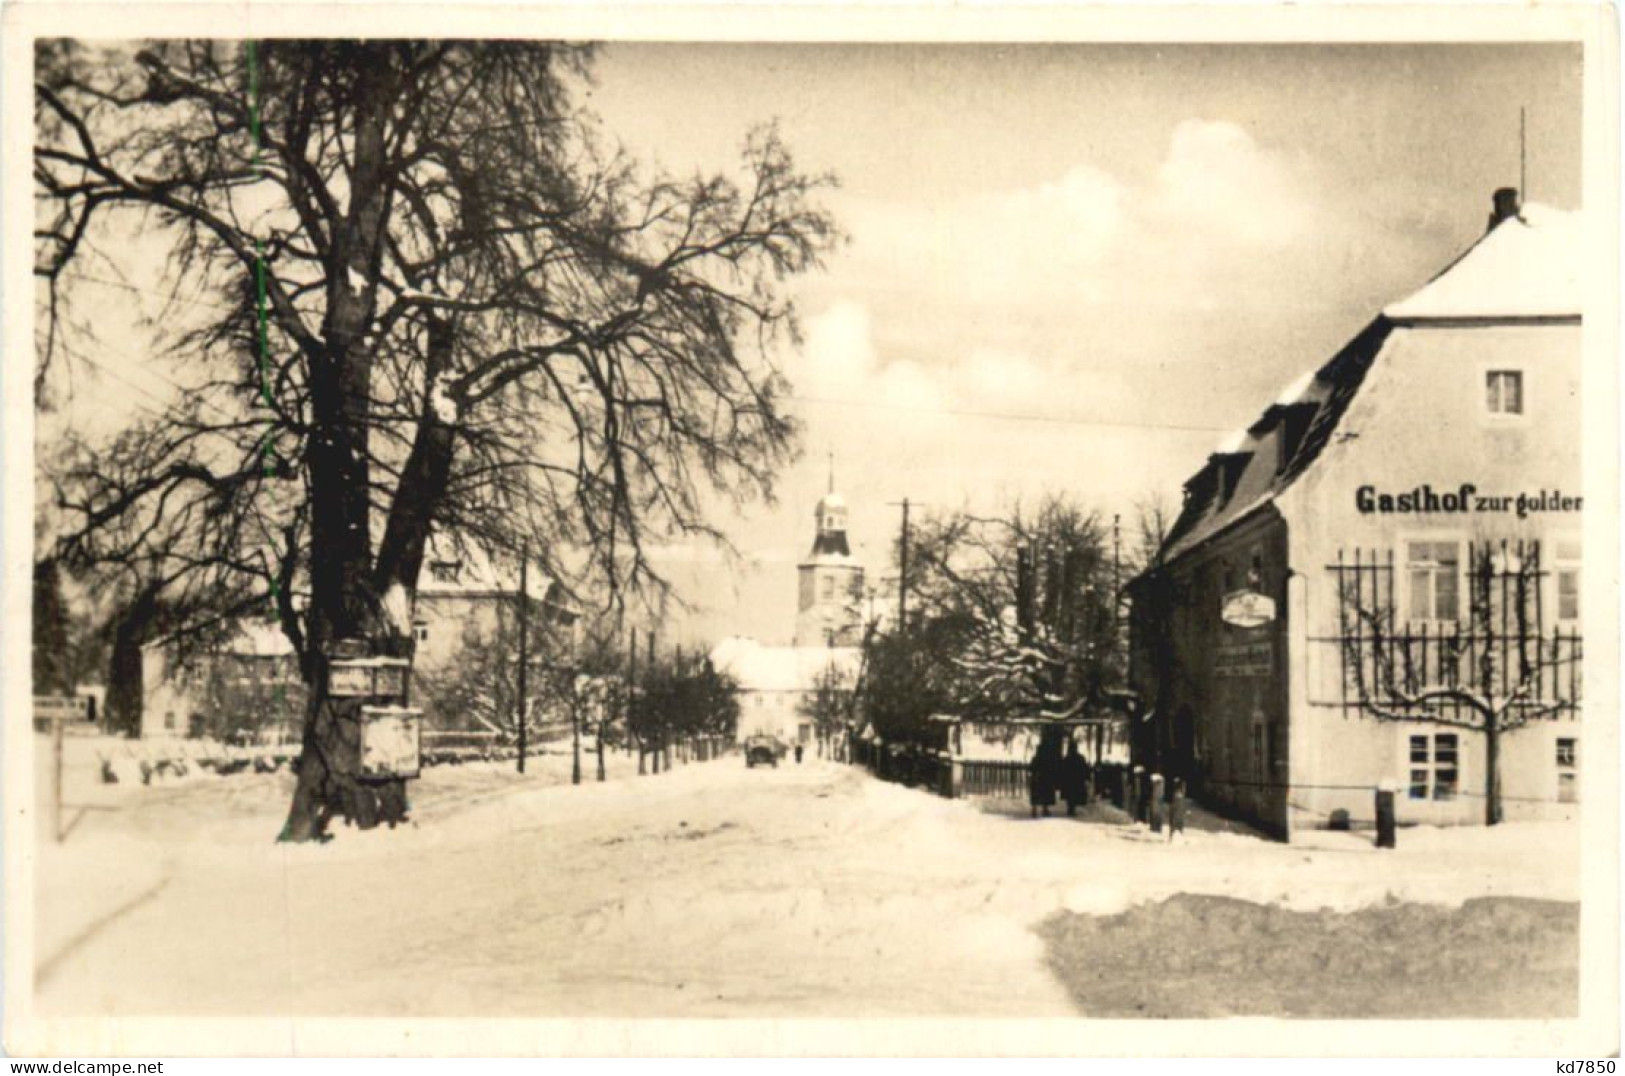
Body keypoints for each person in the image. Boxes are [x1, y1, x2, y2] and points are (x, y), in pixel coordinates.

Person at [1028, 736, 1061, 818]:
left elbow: (1032, 767)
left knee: (1036, 794)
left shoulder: (1036, 758)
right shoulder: (1048, 758)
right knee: (1045, 793)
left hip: (1037, 778)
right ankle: (1044, 809)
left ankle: (1034, 809)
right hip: (1045, 778)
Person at [1059, 738, 1090, 817]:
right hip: (1077, 780)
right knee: (1075, 794)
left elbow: (1062, 769)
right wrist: (1086, 777)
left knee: (1070, 795)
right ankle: (1072, 808)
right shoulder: (1080, 758)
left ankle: (1071, 807)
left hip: (1069, 780)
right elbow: (1084, 768)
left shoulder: (1066, 758)